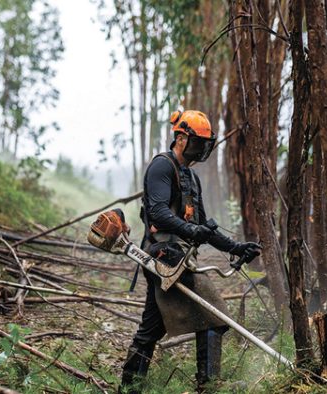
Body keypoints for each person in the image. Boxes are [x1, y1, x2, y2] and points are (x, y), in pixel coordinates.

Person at [120, 110, 261, 393]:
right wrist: (190, 231)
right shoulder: (162, 166)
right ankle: (208, 387)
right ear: (182, 138)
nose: (203, 149)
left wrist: (235, 247)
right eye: (199, 143)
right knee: (213, 315)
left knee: (151, 328)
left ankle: (130, 387)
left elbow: (202, 227)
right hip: (163, 257)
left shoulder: (191, 178)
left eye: (207, 144)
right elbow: (158, 212)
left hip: (181, 259)